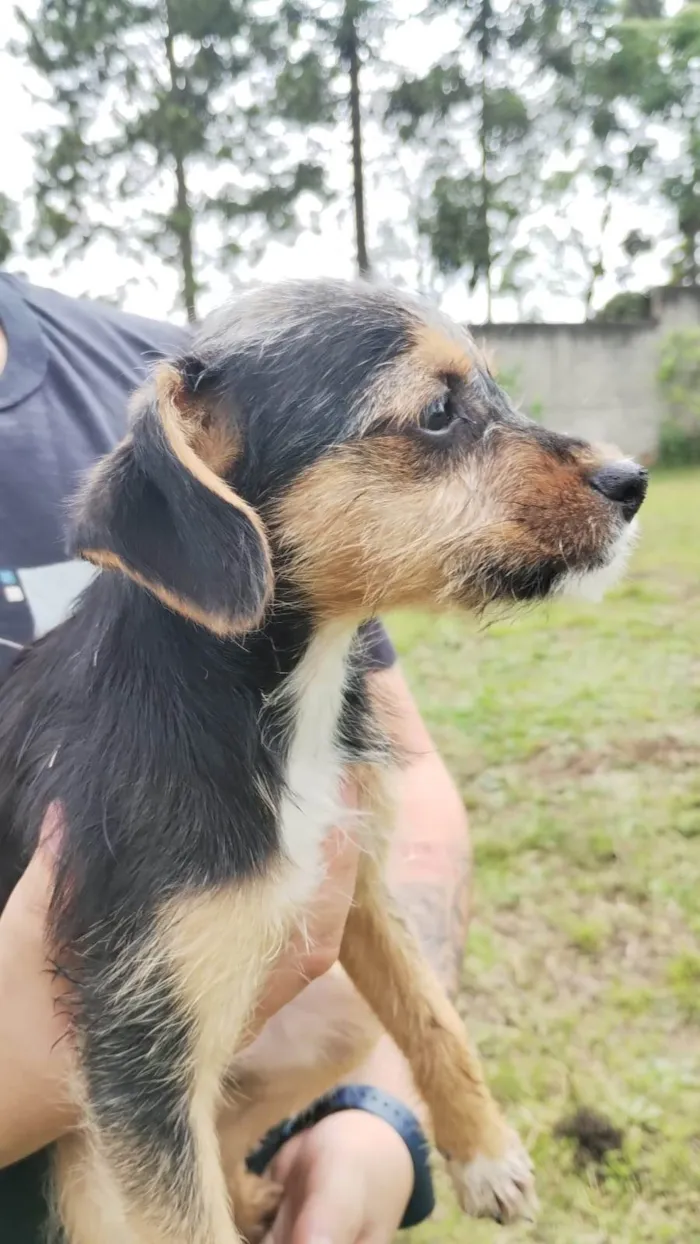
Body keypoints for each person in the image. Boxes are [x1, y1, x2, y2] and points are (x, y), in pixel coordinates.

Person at [0, 272, 472, 1243]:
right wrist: (49, 1061)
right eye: (433, 415)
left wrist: (378, 1101)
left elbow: (400, 779)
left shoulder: (193, 378)